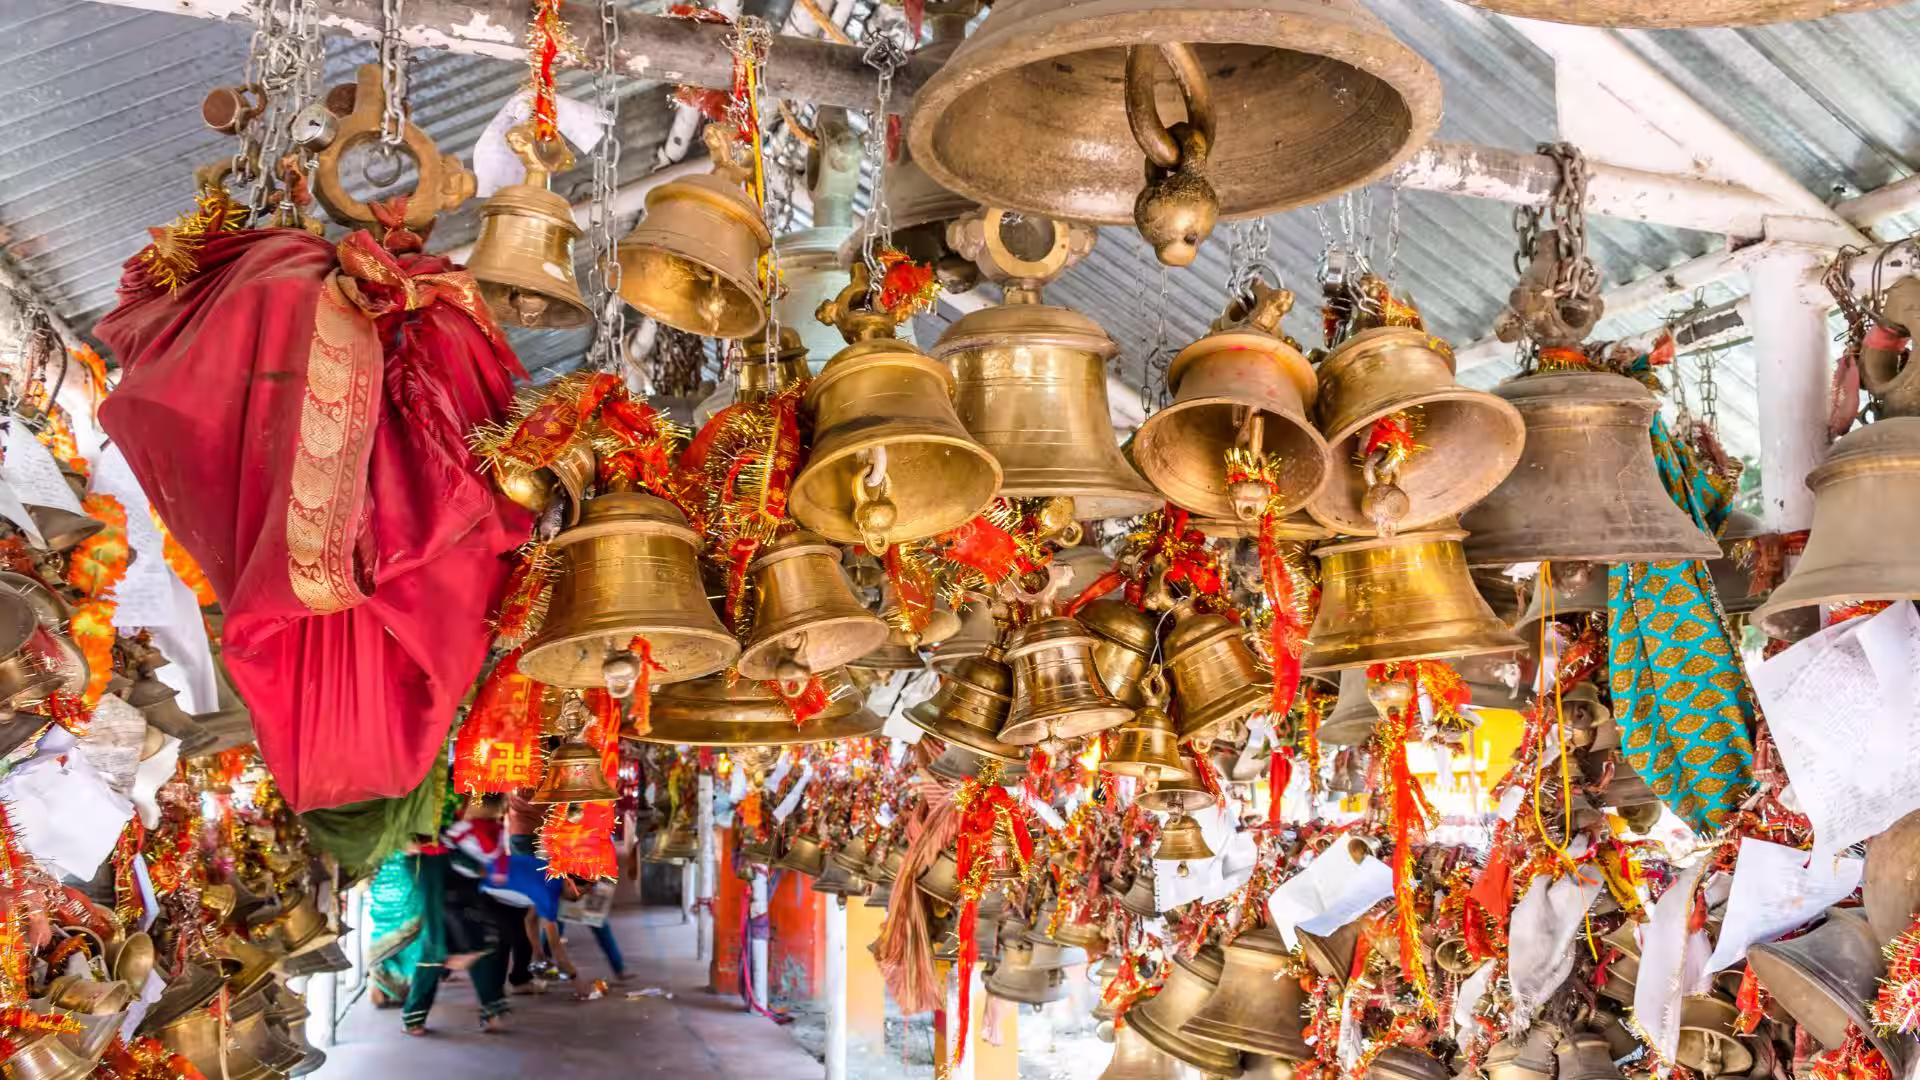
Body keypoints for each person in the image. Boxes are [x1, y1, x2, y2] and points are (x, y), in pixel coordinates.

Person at [403, 797, 510, 1035]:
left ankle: (415, 1018)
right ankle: (491, 1010)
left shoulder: (450, 788)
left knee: (439, 939)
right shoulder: (454, 789)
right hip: (445, 869)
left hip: (440, 868)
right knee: (465, 935)